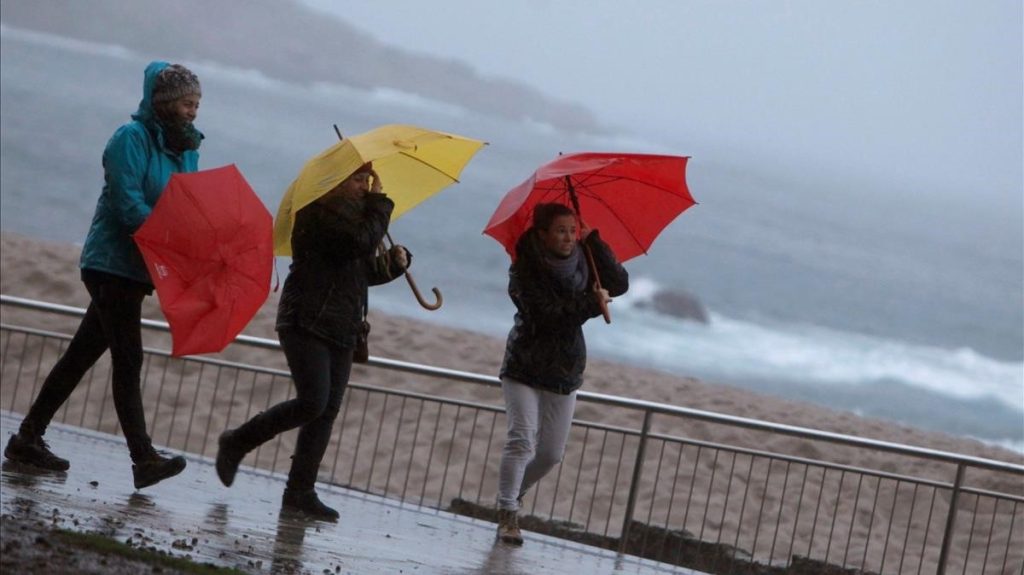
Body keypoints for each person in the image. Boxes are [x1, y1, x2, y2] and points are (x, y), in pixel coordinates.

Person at [3, 61, 203, 490]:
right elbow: (126, 203)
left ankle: (27, 438)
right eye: (187, 102)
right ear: (164, 101)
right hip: (110, 262)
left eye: (197, 103)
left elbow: (186, 206)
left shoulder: (187, 150)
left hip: (140, 268)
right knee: (129, 359)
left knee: (80, 356)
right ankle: (143, 459)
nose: (194, 111)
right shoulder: (129, 138)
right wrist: (168, 236)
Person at [215, 163, 409, 522]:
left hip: (343, 325)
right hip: (306, 319)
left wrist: (392, 265)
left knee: (326, 411)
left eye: (366, 180)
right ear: (335, 182)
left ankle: (300, 491)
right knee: (312, 401)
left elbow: (357, 273)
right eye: (356, 179)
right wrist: (380, 205)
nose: (364, 186)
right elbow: (354, 243)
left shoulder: (358, 218)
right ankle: (238, 441)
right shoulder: (316, 213)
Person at [494, 202, 629, 545]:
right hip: (525, 364)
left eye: (573, 230)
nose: (569, 238)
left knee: (551, 454)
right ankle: (507, 512)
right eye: (560, 231)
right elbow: (548, 315)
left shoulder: (585, 260)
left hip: (565, 368)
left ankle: (513, 495)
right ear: (543, 234)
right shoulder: (524, 269)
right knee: (521, 439)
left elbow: (619, 283)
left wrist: (594, 241)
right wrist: (591, 304)